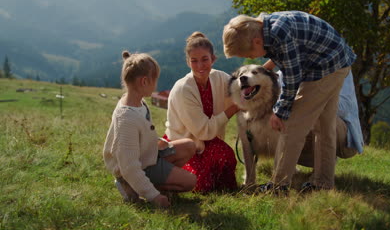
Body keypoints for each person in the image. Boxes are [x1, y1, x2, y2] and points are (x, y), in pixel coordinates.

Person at [223, 11, 356, 192]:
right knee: (325, 126)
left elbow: (292, 79)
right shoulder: (264, 26)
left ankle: (278, 186)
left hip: (325, 67)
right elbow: (286, 53)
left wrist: (279, 111)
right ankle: (323, 184)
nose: (253, 58)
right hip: (338, 61)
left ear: (256, 41)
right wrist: (267, 67)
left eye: (250, 53)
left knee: (292, 126)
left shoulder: (280, 34)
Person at [103, 51, 197, 208]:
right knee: (190, 182)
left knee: (189, 145)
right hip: (139, 167)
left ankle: (150, 184)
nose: (156, 85)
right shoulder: (126, 119)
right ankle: (131, 186)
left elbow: (141, 138)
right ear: (144, 81)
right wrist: (155, 197)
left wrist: (158, 142)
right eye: (155, 80)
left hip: (149, 156)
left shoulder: (139, 103)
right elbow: (129, 167)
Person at [164, 31, 239, 193]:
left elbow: (240, 86)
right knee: (201, 184)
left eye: (205, 59)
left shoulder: (219, 78)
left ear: (213, 59)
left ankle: (221, 187)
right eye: (194, 61)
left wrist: (267, 68)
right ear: (188, 62)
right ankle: (168, 174)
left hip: (209, 141)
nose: (200, 66)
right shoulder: (183, 89)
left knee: (226, 156)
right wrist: (233, 108)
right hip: (184, 145)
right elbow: (204, 132)